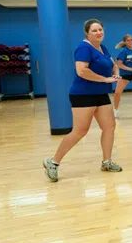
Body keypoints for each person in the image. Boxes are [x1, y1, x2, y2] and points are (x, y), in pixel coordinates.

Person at [42, 19, 122, 182]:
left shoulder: (102, 47)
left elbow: (112, 63)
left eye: (100, 29)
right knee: (80, 131)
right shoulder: (83, 48)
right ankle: (53, 162)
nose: (99, 32)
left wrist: (115, 72)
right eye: (94, 30)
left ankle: (106, 162)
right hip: (83, 94)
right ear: (87, 33)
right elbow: (82, 71)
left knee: (109, 127)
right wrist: (104, 80)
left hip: (101, 94)